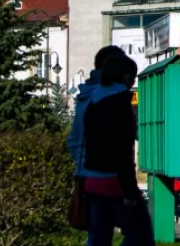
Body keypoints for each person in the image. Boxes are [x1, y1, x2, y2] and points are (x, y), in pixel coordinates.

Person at [83, 54, 154, 246]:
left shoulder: (93, 102)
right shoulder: (120, 105)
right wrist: (130, 192)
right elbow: (121, 151)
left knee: (99, 239)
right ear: (125, 78)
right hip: (115, 183)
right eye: (133, 77)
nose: (132, 82)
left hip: (92, 182)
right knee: (141, 236)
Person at [67, 46, 126, 246]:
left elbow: (73, 141)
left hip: (87, 178)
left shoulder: (84, 96)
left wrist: (83, 167)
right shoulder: (113, 95)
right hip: (110, 178)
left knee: (97, 234)